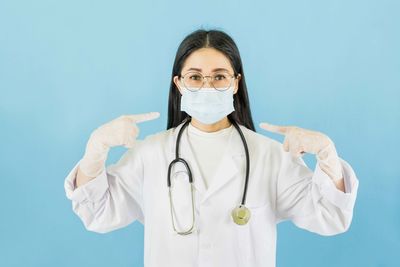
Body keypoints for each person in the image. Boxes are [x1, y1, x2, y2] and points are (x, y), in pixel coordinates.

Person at [64, 29, 359, 267]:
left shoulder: (269, 155)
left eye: (219, 76)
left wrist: (328, 156)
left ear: (235, 83)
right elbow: (99, 213)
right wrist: (96, 149)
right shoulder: (150, 154)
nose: (207, 87)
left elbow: (331, 217)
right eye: (195, 77)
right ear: (179, 84)